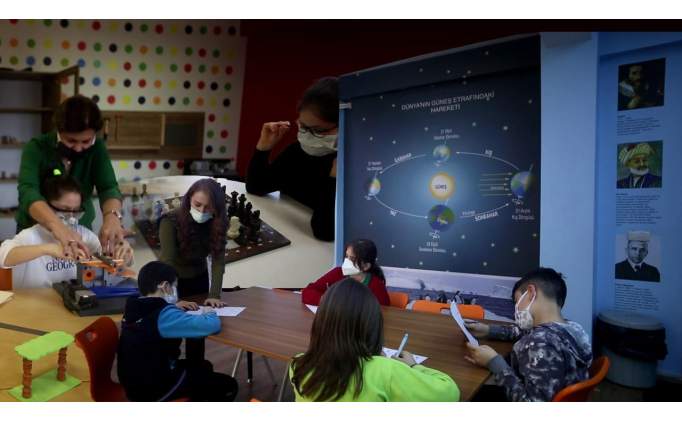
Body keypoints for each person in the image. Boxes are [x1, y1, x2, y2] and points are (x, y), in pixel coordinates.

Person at [290, 278, 459, 402]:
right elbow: (450, 393)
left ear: (321, 322)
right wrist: (413, 366)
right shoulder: (386, 371)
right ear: (372, 325)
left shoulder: (298, 365)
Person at [17, 95, 126, 260]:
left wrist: (112, 216)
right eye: (71, 140)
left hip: (80, 230)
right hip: (36, 230)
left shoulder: (97, 149)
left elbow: (108, 187)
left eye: (86, 141)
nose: (78, 148)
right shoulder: (37, 147)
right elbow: (28, 192)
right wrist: (57, 226)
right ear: (59, 130)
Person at [464, 268, 592, 402]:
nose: (516, 310)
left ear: (531, 292)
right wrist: (488, 330)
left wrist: (494, 363)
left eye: (517, 302)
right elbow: (526, 331)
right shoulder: (573, 328)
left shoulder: (540, 343)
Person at [117, 261, 238, 402]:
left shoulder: (133, 307)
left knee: (204, 366)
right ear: (165, 286)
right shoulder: (164, 315)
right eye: (175, 286)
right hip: (153, 389)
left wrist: (173, 308)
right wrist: (209, 311)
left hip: (134, 382)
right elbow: (212, 325)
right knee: (229, 385)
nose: (176, 291)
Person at [246, 77, 338, 241]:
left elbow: (324, 232)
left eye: (318, 130)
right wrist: (263, 148)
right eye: (303, 126)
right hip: (288, 234)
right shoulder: (296, 151)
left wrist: (335, 179)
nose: (307, 136)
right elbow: (256, 186)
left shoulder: (351, 167)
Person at [0, 176, 133, 289]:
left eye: (76, 211)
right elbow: (4, 257)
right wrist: (50, 249)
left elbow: (109, 258)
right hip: (36, 306)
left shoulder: (83, 235)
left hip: (71, 304)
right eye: (64, 210)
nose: (72, 218)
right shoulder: (31, 236)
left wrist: (123, 253)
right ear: (46, 207)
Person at [159, 178, 228, 363]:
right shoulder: (169, 221)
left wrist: (214, 295)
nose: (202, 211)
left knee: (197, 335)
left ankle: (195, 371)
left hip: (199, 279)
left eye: (208, 208)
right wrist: (174, 299)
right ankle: (171, 369)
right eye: (197, 205)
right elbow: (167, 262)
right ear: (189, 198)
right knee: (172, 334)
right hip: (173, 280)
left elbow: (218, 261)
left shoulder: (218, 221)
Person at [302, 238, 389, 306]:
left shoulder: (377, 286)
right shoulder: (337, 273)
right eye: (346, 256)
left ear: (366, 266)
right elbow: (308, 291)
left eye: (352, 259)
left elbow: (384, 311)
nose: (347, 261)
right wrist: (326, 301)